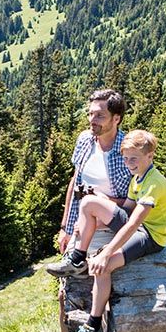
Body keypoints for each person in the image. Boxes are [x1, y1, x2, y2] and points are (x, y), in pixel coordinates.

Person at [46, 129, 166, 332]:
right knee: (88, 203)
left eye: (133, 159)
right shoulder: (138, 178)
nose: (129, 163)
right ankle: (77, 258)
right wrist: (94, 218)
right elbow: (125, 210)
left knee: (101, 265)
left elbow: (133, 224)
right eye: (125, 159)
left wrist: (107, 253)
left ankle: (93, 325)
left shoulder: (153, 184)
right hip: (138, 227)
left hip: (151, 235)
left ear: (150, 156)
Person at [56, 89, 133, 255]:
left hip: (112, 228)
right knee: (70, 271)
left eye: (99, 115)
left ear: (117, 119)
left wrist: (101, 203)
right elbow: (75, 182)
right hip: (81, 224)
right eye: (90, 114)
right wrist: (65, 228)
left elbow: (137, 201)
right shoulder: (85, 140)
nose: (92, 120)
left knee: (95, 269)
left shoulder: (129, 151)